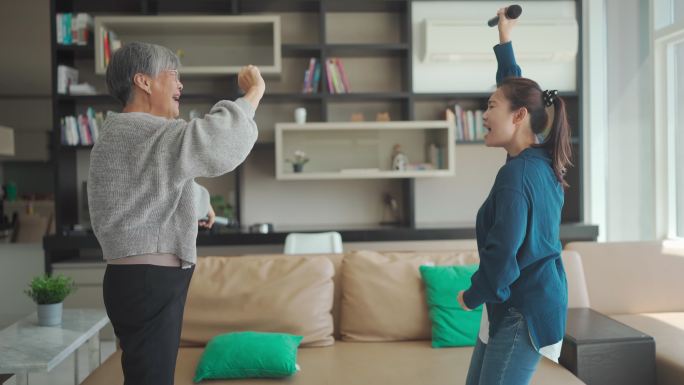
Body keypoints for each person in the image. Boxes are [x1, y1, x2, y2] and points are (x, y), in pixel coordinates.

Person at [87, 41, 264, 385]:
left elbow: (144, 185)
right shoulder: (150, 132)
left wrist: (199, 199)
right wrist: (254, 93)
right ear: (144, 81)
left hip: (133, 280)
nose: (181, 85)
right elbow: (215, 139)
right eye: (173, 75)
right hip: (150, 280)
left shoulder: (118, 134)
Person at [456, 8, 573, 385]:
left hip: (523, 311)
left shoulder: (516, 176)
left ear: (519, 116)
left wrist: (471, 296)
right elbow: (514, 90)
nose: (484, 114)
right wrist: (505, 40)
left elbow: (502, 256)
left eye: (490, 106)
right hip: (513, 303)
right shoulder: (537, 159)